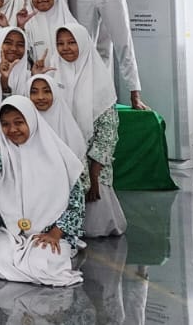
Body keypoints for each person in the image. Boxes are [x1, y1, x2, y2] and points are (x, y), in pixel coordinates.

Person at [0, 95, 89, 287]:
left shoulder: (57, 155)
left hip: (51, 231)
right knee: (0, 260)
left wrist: (56, 233)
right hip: (12, 232)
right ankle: (26, 269)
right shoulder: (2, 150)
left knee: (44, 264)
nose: (12, 130)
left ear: (31, 121)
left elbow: (76, 200)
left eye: (19, 123)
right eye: (5, 124)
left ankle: (29, 267)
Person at [52, 24, 126, 236]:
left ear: (84, 44)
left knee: (95, 225)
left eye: (72, 42)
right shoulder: (53, 74)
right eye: (60, 43)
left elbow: (107, 134)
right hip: (62, 157)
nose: (65, 48)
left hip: (93, 164)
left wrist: (92, 177)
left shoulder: (100, 82)